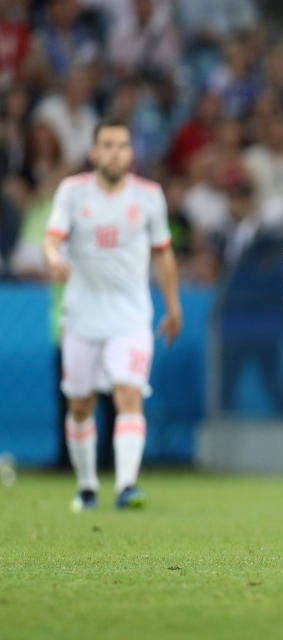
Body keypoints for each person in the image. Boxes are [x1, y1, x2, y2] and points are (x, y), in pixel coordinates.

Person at [42, 118, 181, 512]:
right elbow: (51, 241)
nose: (115, 152)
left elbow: (163, 253)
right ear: (93, 153)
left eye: (122, 145)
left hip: (131, 317)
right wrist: (53, 260)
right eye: (107, 145)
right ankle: (87, 486)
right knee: (81, 405)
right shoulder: (72, 193)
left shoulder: (150, 196)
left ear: (130, 153)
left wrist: (173, 306)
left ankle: (126, 486)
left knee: (128, 394)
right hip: (82, 316)